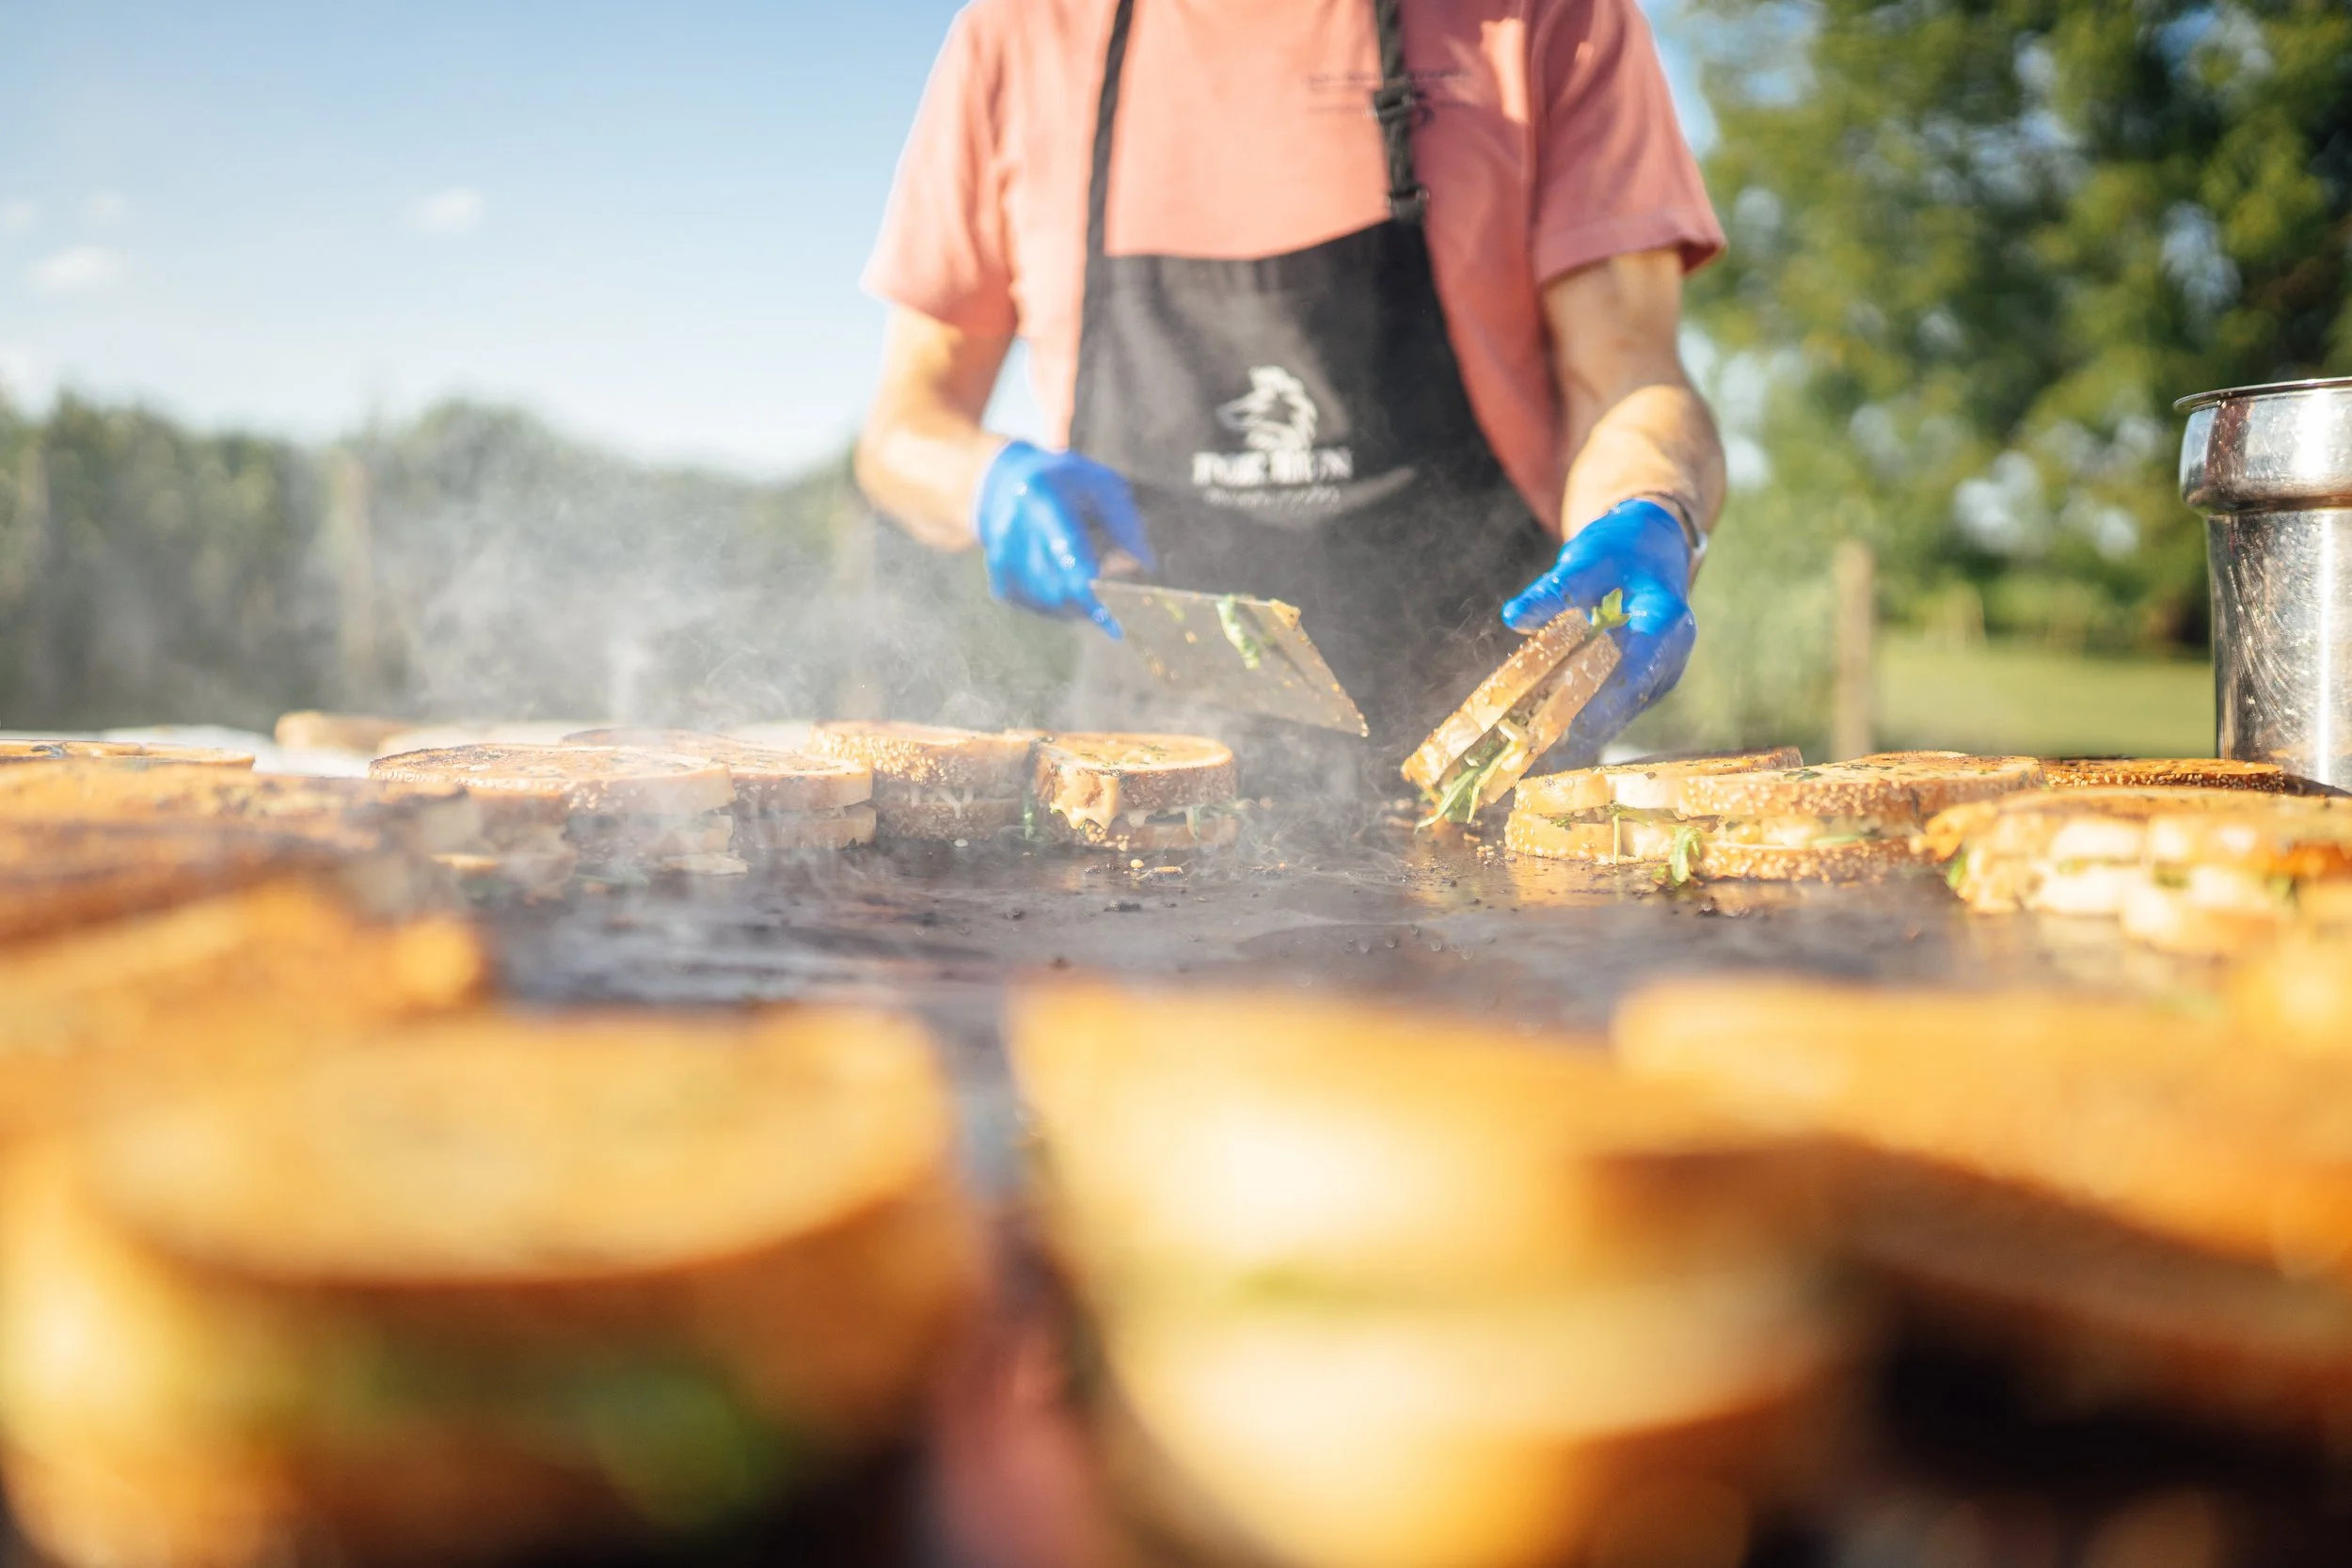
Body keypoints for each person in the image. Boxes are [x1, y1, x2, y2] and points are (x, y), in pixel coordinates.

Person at [856, 0, 1725, 774]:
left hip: (1487, 774)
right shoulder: (1015, 37)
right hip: (1134, 789)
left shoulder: (1547, 19)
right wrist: (985, 484)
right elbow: (904, 427)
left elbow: (1629, 375)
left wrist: (1655, 509)